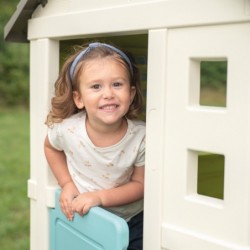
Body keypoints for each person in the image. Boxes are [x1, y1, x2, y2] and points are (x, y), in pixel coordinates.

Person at [44, 42, 145, 250]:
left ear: (131, 93)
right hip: (86, 217)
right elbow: (50, 147)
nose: (108, 93)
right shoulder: (68, 130)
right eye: (96, 86)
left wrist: (100, 197)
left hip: (133, 220)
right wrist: (67, 184)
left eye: (117, 84)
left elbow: (141, 185)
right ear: (78, 98)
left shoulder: (141, 136)